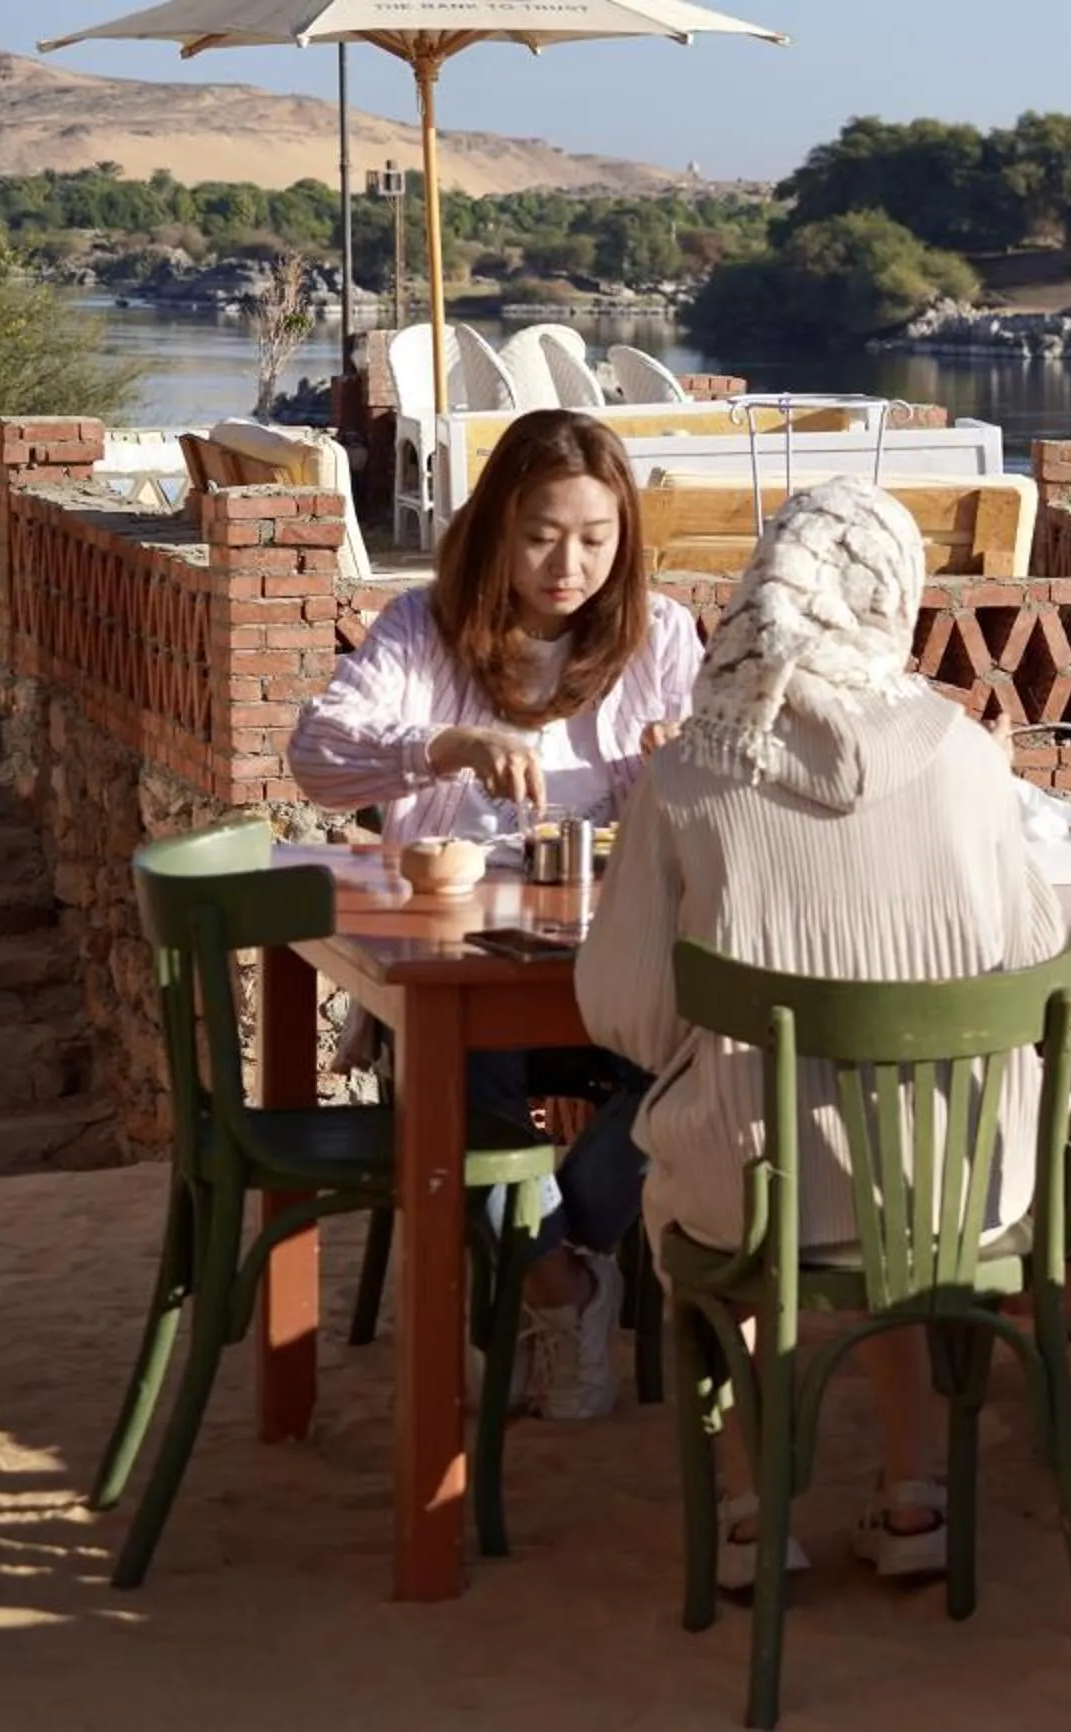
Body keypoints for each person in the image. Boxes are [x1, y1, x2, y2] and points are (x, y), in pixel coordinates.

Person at [575, 476, 1064, 1588]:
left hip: (759, 1197)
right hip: (962, 1194)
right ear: (893, 597)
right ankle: (912, 1500)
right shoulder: (966, 753)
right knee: (885, 1165)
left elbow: (632, 1014)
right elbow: (1030, 963)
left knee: (757, 1172)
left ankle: (753, 1513)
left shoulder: (693, 768)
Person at [288, 408, 704, 1421]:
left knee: (696, 1055)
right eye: (541, 534)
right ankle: (564, 1283)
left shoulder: (661, 637)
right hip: (469, 954)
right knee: (464, 1075)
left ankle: (555, 1259)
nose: (570, 564)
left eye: (596, 539)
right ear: (494, 529)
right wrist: (447, 747)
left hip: (616, 954)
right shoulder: (420, 629)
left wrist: (683, 765)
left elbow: (723, 788)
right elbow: (317, 754)